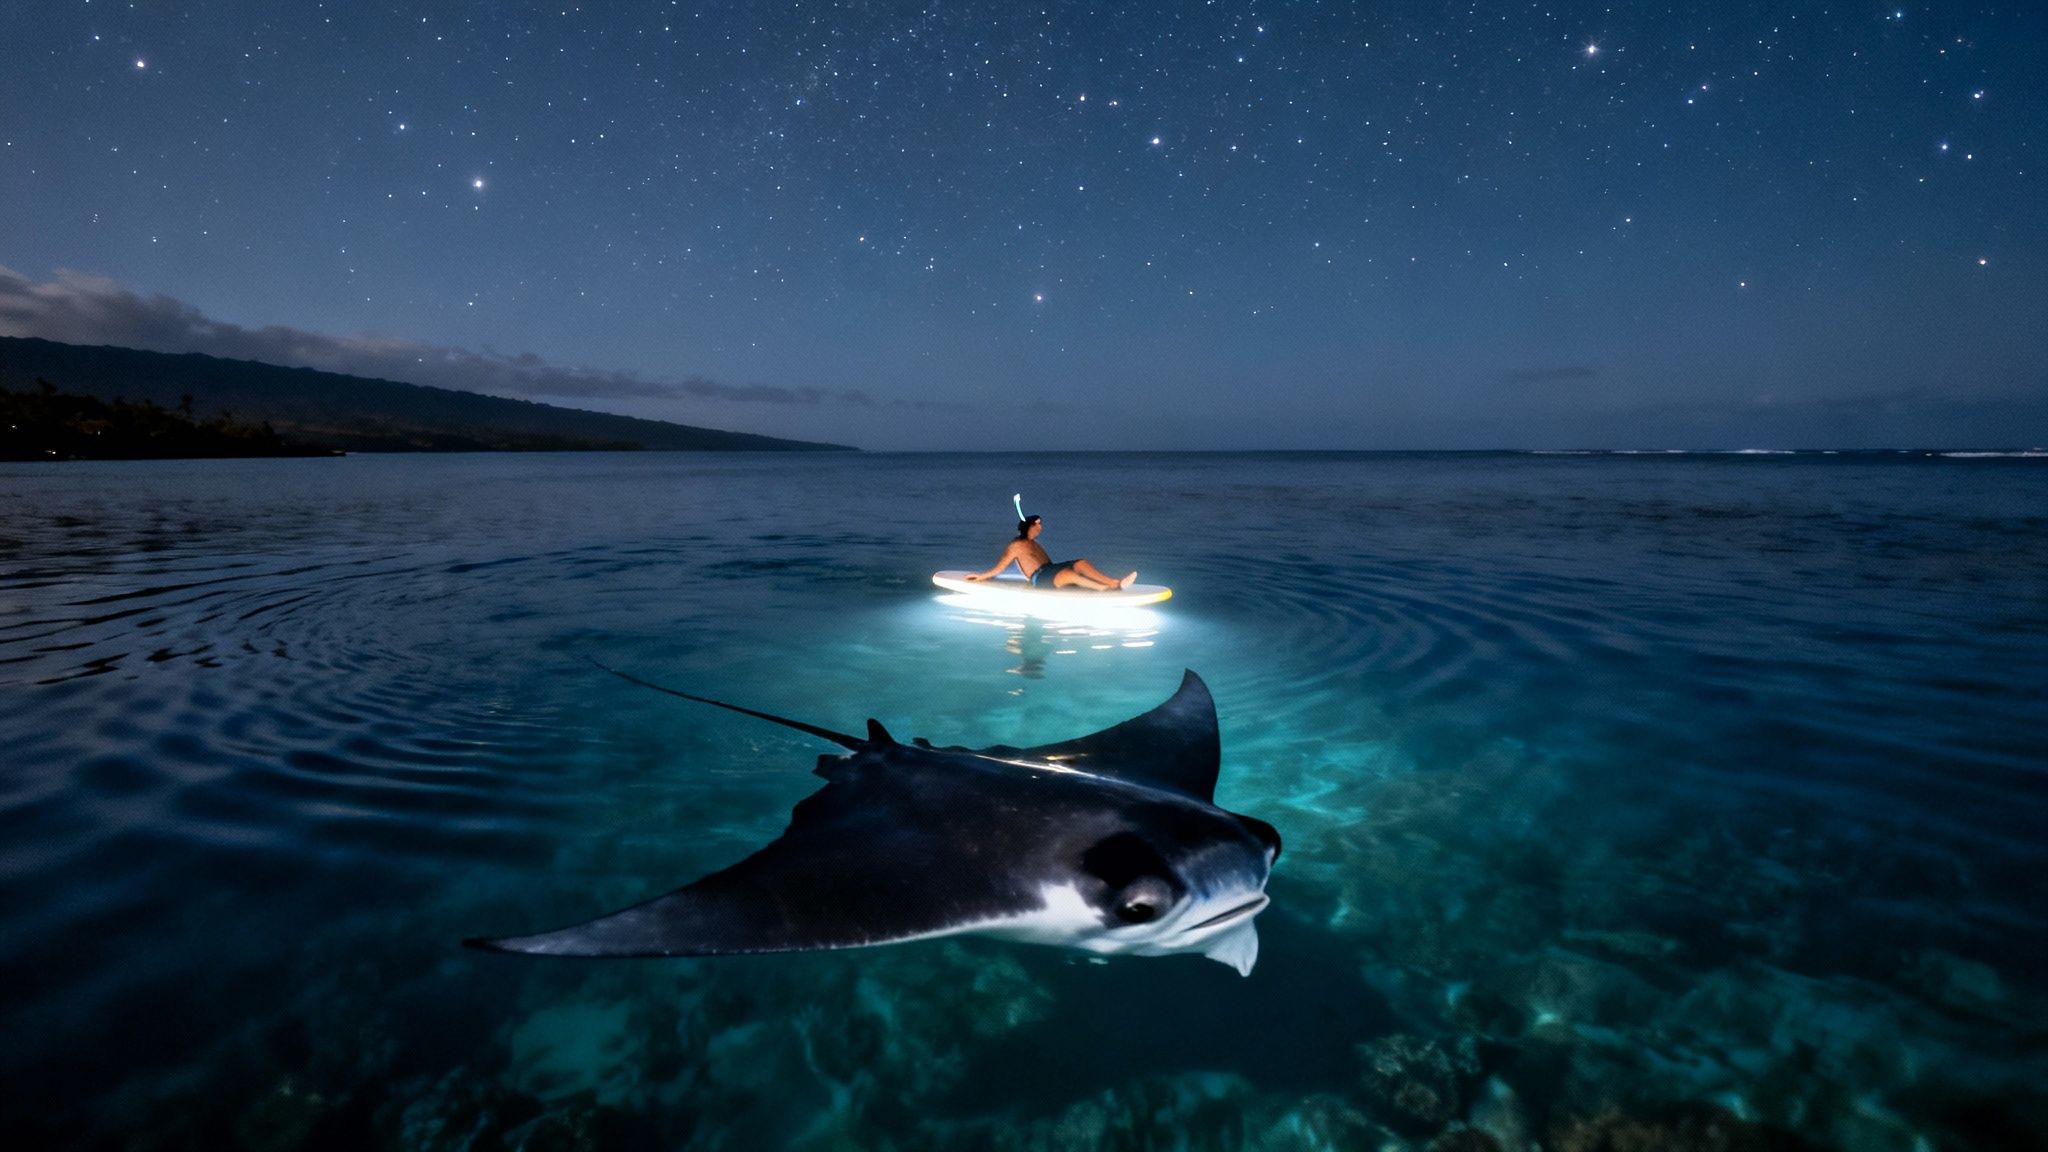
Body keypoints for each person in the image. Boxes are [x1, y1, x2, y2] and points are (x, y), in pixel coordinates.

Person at [964, 513, 1137, 591]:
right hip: (1039, 578)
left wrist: (1059, 571)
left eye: (1041, 524)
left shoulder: (1034, 543)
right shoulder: (1016, 545)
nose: (1040, 527)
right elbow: (1000, 567)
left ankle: (1114, 583)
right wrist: (981, 577)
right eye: (1037, 524)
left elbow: (1048, 563)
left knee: (1080, 563)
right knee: (1070, 575)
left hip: (1050, 570)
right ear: (1029, 526)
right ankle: (1102, 589)